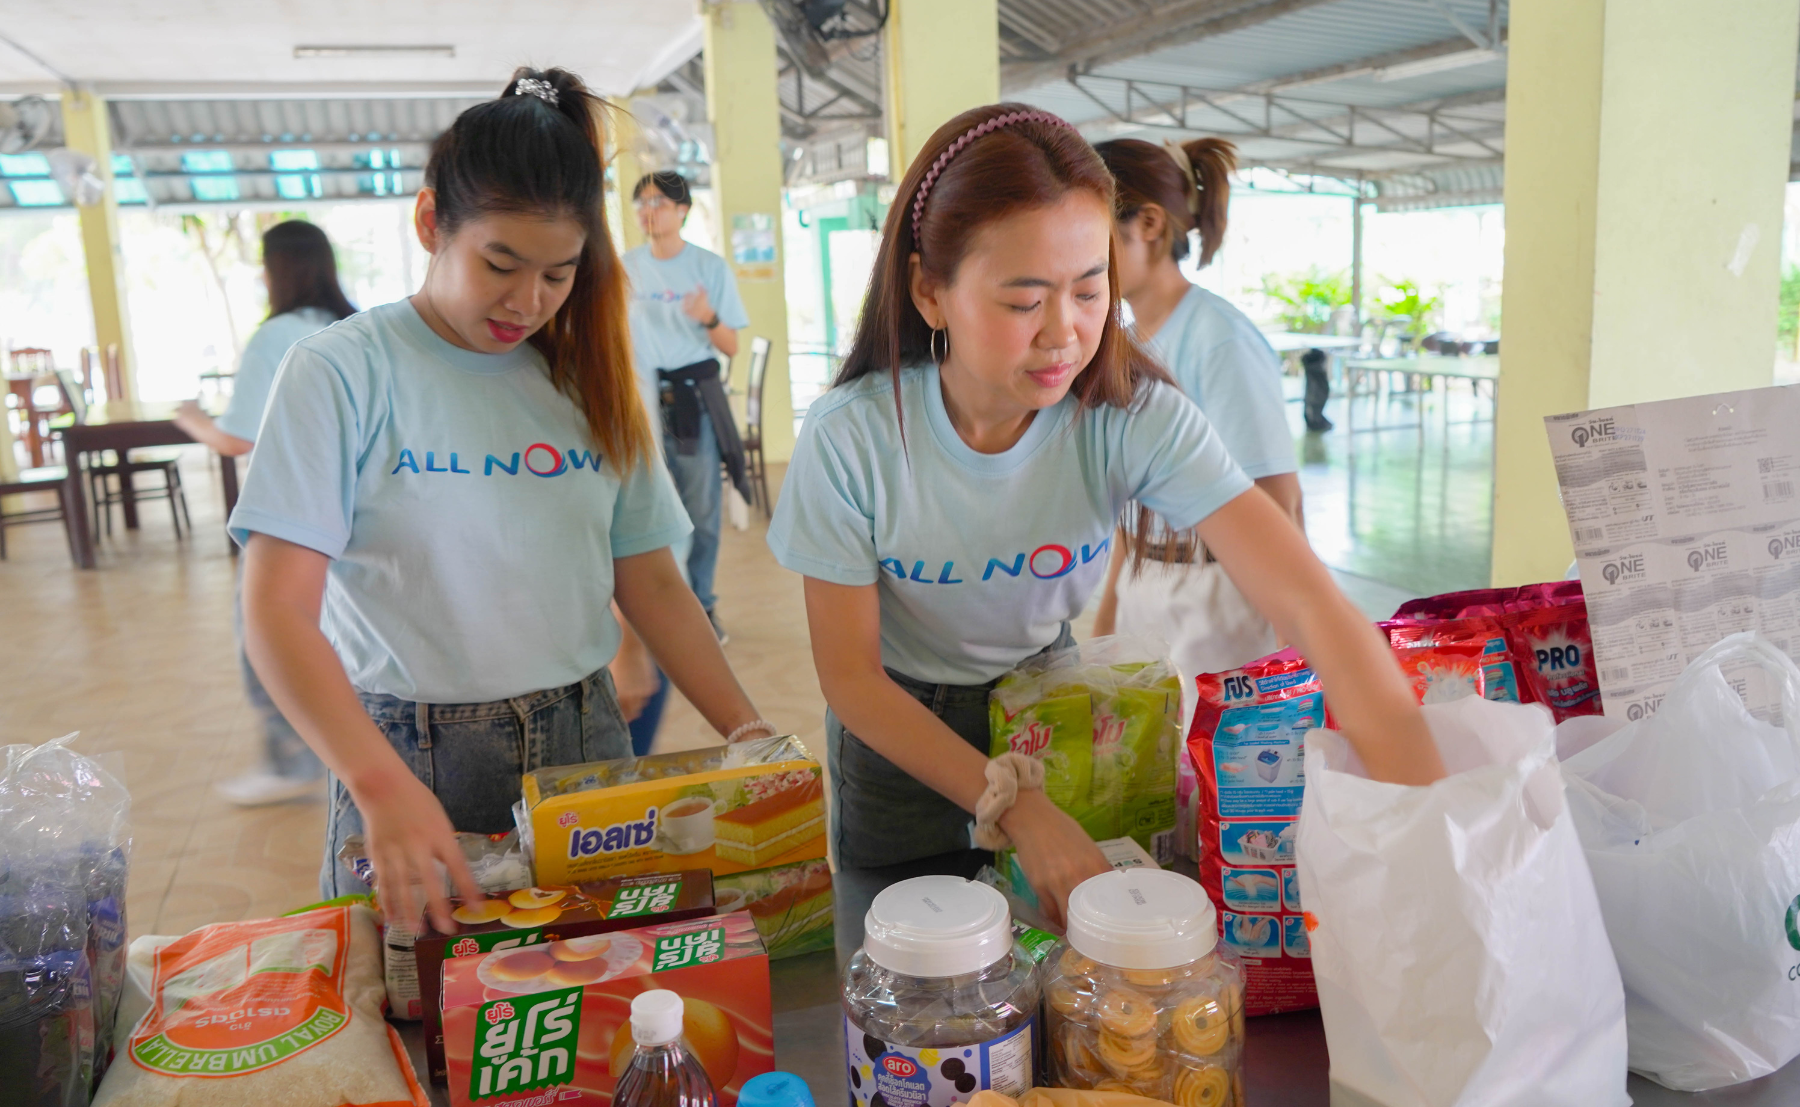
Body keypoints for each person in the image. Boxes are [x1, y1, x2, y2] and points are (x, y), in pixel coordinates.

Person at [767, 104, 1445, 927]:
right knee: (910, 951)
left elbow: (1307, 600)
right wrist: (1016, 805)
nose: (1065, 333)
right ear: (929, 291)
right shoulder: (854, 437)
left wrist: (1438, 819)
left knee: (1072, 953)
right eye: (1024, 301)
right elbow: (851, 677)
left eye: (1091, 291)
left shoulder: (1129, 415)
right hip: (900, 725)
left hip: (1046, 700)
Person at [229, 69, 771, 932]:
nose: (528, 301)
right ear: (430, 223)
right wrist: (377, 784)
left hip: (582, 748)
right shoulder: (341, 371)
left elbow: (652, 580)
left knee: (596, 989)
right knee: (414, 1000)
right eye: (500, 264)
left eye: (558, 274)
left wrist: (747, 730)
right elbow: (277, 611)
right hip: (409, 756)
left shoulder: (590, 375)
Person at [1089, 136, 1300, 684]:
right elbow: (1134, 502)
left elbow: (1279, 502)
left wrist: (1294, 648)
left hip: (1218, 596)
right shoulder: (1127, 342)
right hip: (1147, 584)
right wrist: (1109, 616)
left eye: (1091, 232)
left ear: (1149, 224)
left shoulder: (1218, 338)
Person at [173, 219, 355, 806]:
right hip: (361, 511)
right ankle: (343, 753)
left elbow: (237, 439)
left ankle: (291, 760)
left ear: (278, 269)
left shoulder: (276, 334)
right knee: (344, 632)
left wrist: (191, 420)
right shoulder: (356, 327)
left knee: (267, 631)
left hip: (291, 516)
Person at [622, 170, 749, 645]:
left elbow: (731, 345)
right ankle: (657, 609)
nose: (648, 211)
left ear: (682, 211)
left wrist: (708, 316)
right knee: (648, 507)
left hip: (692, 400)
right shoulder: (624, 268)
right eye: (641, 203)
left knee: (701, 508)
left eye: (657, 202)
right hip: (640, 400)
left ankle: (702, 605)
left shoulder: (709, 267)